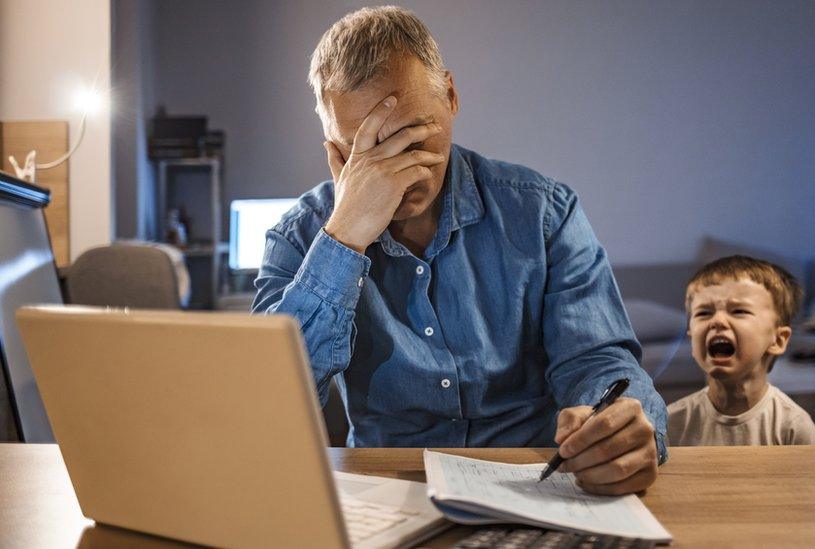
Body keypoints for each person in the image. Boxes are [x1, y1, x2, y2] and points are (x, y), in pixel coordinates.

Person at [252, 6, 668, 495]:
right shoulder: (300, 236)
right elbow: (268, 401)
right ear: (335, 149)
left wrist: (615, 424)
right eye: (368, 152)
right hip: (386, 488)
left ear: (450, 96)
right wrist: (344, 237)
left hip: (536, 480)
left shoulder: (543, 212)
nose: (400, 170)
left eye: (412, 135)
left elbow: (597, 361)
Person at [667, 255, 815, 446]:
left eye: (738, 311)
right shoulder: (671, 423)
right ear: (692, 341)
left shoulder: (793, 426)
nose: (717, 321)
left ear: (778, 340)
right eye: (704, 313)